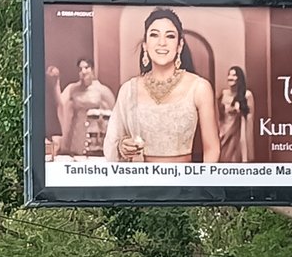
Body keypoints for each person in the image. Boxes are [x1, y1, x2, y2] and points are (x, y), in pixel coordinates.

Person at [103, 9, 220, 164]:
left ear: (180, 45)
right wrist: (122, 147)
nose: (162, 42)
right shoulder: (128, 90)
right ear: (145, 45)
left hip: (183, 184)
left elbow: (212, 149)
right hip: (140, 184)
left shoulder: (199, 87)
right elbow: (112, 143)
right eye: (154, 35)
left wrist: (200, 186)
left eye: (170, 36)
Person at [45, 59, 117, 157]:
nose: (83, 71)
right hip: (77, 134)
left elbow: (114, 114)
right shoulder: (73, 89)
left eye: (86, 68)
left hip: (95, 135)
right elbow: (60, 104)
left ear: (92, 70)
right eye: (80, 69)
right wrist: (55, 83)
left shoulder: (102, 90)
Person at [219, 66, 252, 162]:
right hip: (224, 134)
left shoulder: (247, 95)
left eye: (234, 75)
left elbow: (249, 121)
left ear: (239, 78)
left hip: (238, 136)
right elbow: (219, 117)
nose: (230, 77)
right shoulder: (223, 94)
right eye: (229, 74)